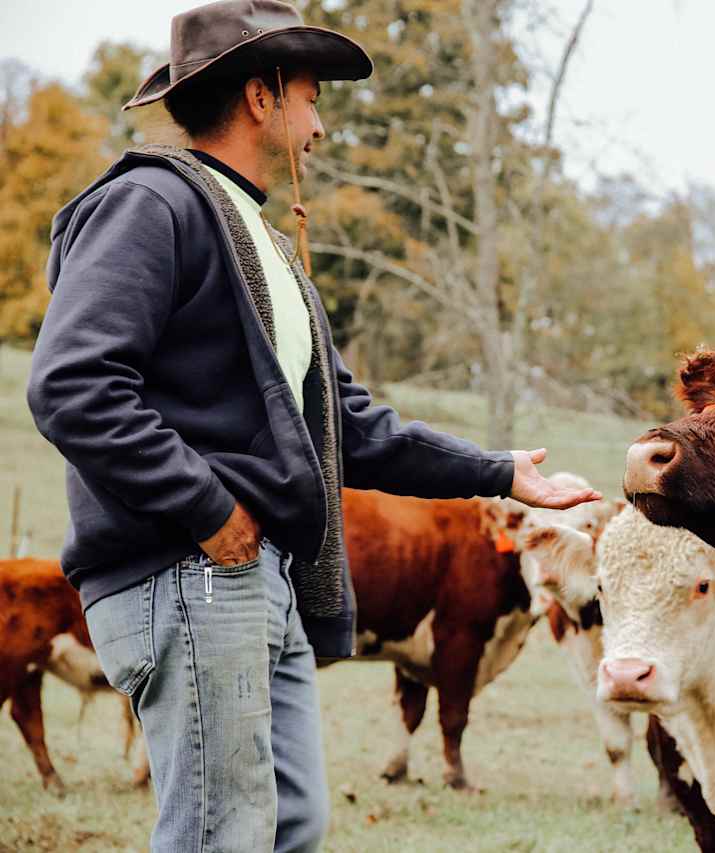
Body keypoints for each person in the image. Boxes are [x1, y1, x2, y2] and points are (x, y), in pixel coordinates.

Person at [25, 2, 599, 850]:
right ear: (260, 97)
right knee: (223, 835)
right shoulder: (152, 205)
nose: (321, 126)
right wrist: (206, 506)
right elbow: (71, 384)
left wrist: (499, 470)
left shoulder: (263, 245)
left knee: (290, 826)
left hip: (264, 581)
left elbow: (347, 427)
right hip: (188, 571)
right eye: (311, 97)